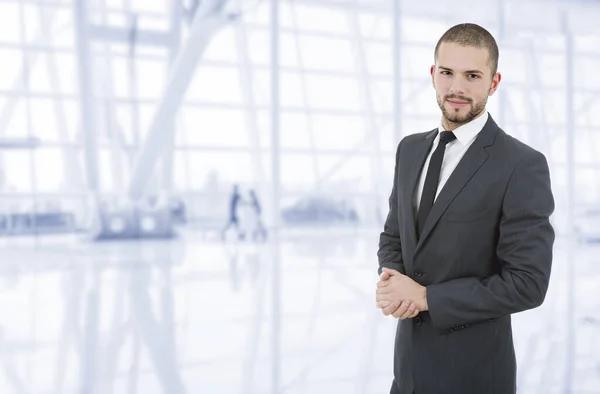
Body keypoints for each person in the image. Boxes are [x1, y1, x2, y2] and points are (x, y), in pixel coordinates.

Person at [375, 23, 555, 394]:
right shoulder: (409, 150)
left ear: (493, 82)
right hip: (406, 374)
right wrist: (391, 279)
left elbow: (527, 283)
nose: (457, 88)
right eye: (447, 73)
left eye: (472, 75)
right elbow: (394, 233)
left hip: (474, 377)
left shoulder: (521, 164)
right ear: (433, 75)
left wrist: (425, 297)